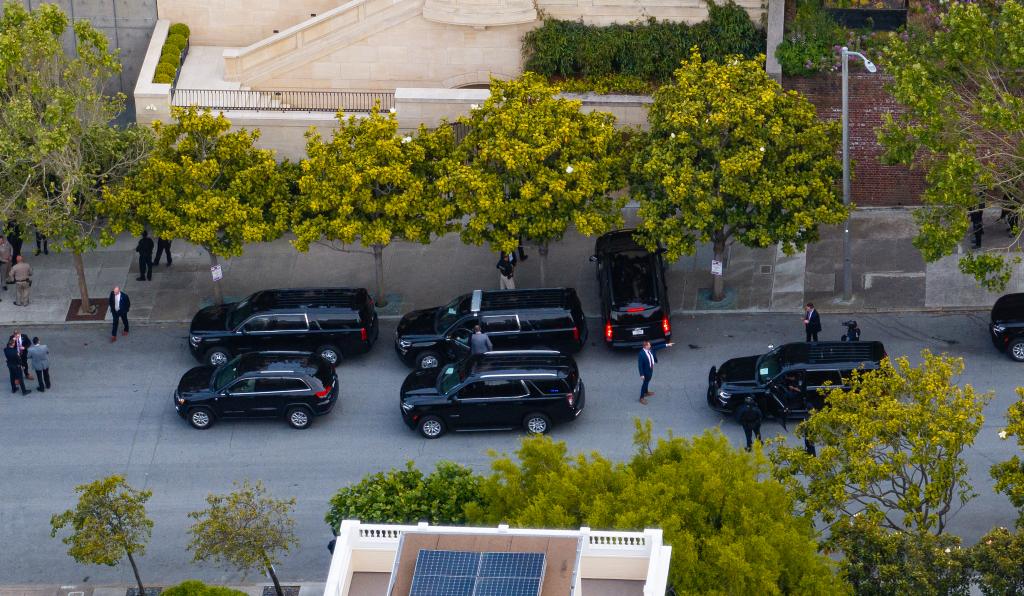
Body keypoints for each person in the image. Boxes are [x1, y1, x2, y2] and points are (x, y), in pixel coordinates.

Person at [637, 340, 673, 405]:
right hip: (646, 371)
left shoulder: (650, 349)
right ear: (645, 346)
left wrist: (667, 345)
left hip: (651, 368)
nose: (650, 346)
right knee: (645, 383)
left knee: (648, 381)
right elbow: (640, 365)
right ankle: (641, 397)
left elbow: (658, 347)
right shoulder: (641, 354)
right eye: (649, 345)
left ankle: (646, 392)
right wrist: (641, 374)